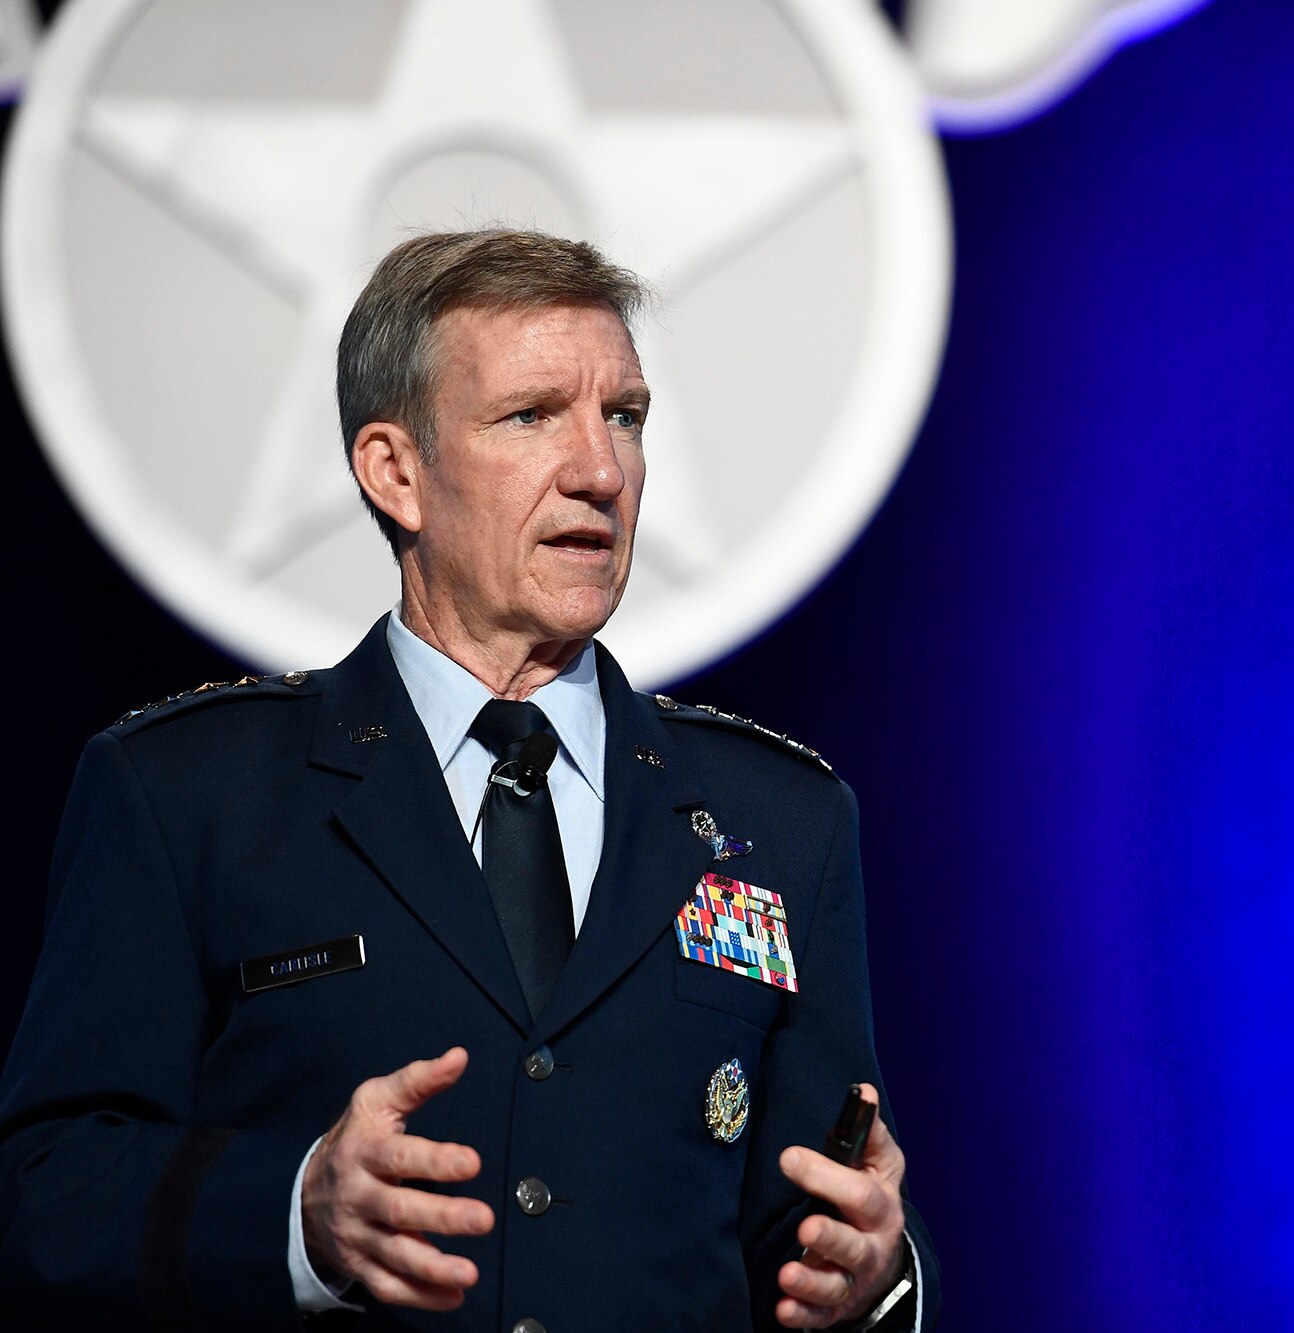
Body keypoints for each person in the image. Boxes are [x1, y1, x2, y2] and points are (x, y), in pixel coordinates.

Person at [0, 229, 937, 1332]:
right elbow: (47, 1197)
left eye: (623, 416)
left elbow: (819, 1223)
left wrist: (875, 1277)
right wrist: (296, 1215)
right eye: (532, 415)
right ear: (396, 471)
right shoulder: (186, 796)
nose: (598, 469)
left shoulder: (781, 819)